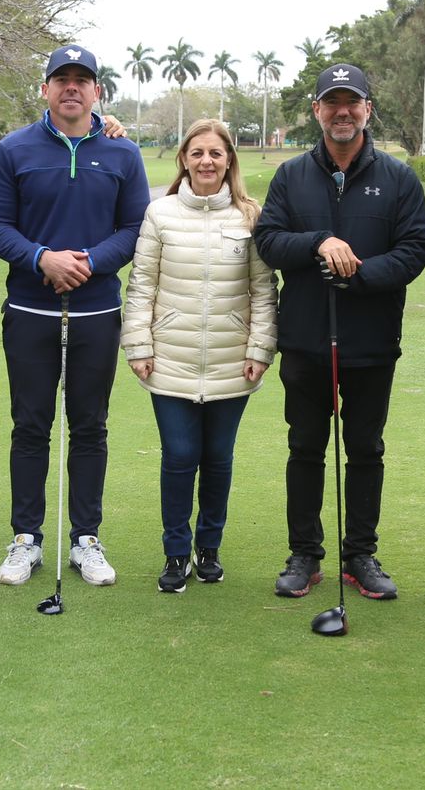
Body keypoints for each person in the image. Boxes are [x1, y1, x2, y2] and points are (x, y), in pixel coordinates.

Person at [253, 64, 425, 601]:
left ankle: (360, 554)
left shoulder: (397, 178)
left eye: (352, 102)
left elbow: (414, 250)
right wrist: (318, 242)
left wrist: (359, 274)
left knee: (366, 449)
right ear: (317, 111)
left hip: (372, 340)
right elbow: (268, 241)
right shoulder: (291, 176)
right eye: (332, 102)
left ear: (367, 109)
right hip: (306, 338)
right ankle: (304, 554)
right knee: (305, 447)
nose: (342, 111)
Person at [0, 44, 148, 587]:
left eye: (82, 79)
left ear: (97, 90)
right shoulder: (14, 149)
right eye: (62, 78)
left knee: (90, 427)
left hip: (97, 312)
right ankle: (26, 539)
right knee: (30, 426)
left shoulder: (123, 153)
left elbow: (134, 229)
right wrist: (41, 259)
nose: (71, 87)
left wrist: (89, 262)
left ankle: (85, 539)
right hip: (30, 309)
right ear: (46, 88)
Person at [121, 119, 278, 592]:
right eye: (197, 153)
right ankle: (176, 552)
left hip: (233, 360)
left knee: (218, 458)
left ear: (229, 160)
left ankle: (209, 547)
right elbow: (141, 285)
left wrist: (259, 349)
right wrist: (139, 345)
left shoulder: (249, 215)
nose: (206, 161)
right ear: (184, 160)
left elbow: (263, 291)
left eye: (215, 153)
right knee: (179, 455)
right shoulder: (160, 213)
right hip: (169, 357)